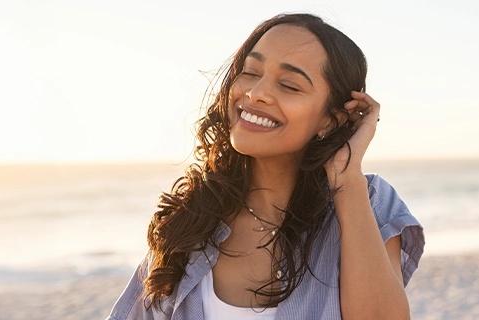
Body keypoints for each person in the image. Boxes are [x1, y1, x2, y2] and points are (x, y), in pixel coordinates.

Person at [106, 13, 425, 320]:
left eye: (289, 85)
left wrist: (346, 178)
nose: (256, 94)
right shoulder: (188, 220)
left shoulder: (367, 202)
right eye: (250, 72)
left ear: (331, 118)